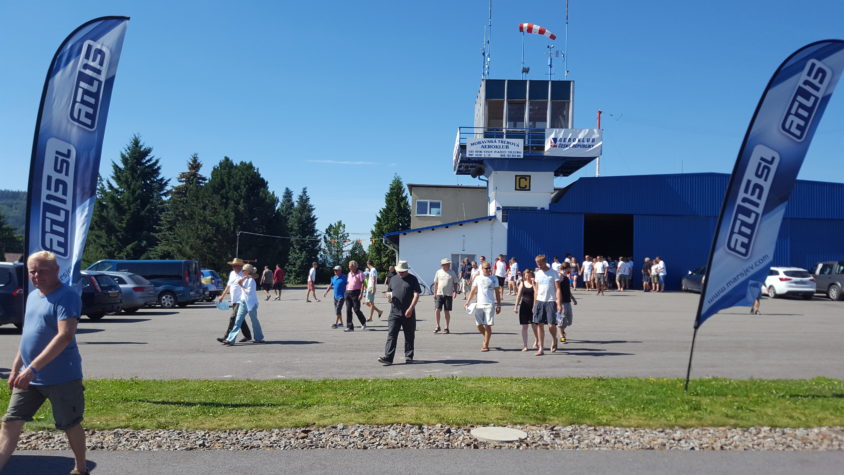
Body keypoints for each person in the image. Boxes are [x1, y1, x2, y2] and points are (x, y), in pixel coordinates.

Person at [0, 251, 88, 474]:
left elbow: (64, 336)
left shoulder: (67, 296)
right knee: (10, 422)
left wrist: (32, 368)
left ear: (56, 270)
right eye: (32, 271)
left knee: (70, 423)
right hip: (28, 377)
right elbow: (28, 336)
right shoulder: (32, 296)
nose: (37, 276)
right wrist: (16, 367)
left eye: (42, 271)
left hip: (62, 376)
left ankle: (80, 467)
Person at [378, 261, 420, 365]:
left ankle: (409, 356)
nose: (400, 273)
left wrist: (411, 308)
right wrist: (388, 296)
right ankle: (388, 358)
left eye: (402, 271)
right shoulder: (393, 279)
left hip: (408, 311)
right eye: (399, 271)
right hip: (394, 312)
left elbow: (416, 295)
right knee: (391, 334)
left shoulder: (413, 279)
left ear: (406, 270)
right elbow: (389, 292)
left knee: (409, 335)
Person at [221, 264, 266, 345]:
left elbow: (248, 292)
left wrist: (241, 285)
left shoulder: (251, 281)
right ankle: (230, 339)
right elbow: (234, 284)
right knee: (237, 321)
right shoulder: (244, 278)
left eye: (244, 270)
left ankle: (259, 338)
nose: (242, 271)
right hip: (243, 302)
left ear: (247, 271)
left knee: (254, 321)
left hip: (251, 303)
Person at [464, 261, 501, 352]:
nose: (488, 270)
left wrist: (499, 304)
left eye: (489, 268)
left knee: (487, 325)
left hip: (490, 304)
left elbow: (497, 292)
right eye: (486, 268)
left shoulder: (494, 278)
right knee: (479, 325)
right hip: (479, 304)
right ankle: (487, 336)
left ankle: (485, 345)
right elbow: (473, 291)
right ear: (482, 269)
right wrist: (468, 302)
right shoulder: (478, 278)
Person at [532, 255, 561, 356]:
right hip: (540, 301)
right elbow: (536, 290)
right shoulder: (537, 273)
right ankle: (541, 348)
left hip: (551, 301)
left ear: (545, 262)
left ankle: (554, 339)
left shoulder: (553, 273)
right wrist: (534, 304)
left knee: (551, 325)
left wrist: (559, 303)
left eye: (540, 263)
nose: (539, 265)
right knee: (539, 325)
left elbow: (558, 289)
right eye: (537, 263)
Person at [217, 258, 251, 343]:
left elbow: (248, 286)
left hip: (241, 300)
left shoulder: (244, 274)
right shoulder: (232, 273)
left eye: (235, 265)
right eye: (232, 265)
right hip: (234, 300)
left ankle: (227, 337)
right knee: (240, 319)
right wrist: (222, 296)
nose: (233, 267)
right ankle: (248, 336)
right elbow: (228, 286)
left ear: (240, 266)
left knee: (233, 317)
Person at [431, 258, 458, 334]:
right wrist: (434, 293)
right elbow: (436, 283)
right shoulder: (438, 272)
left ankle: (447, 327)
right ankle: (437, 326)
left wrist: (455, 291)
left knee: (446, 311)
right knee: (437, 310)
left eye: (449, 264)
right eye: (447, 264)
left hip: (448, 294)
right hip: (439, 294)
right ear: (443, 265)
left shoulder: (452, 272)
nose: (449, 265)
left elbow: (455, 282)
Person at [514, 268, 537, 352]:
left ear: (532, 276)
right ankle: (525, 345)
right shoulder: (522, 283)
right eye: (526, 275)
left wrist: (534, 284)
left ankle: (537, 341)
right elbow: (519, 295)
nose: (527, 277)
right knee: (524, 326)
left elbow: (537, 293)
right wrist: (516, 306)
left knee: (534, 325)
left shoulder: (535, 283)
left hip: (533, 306)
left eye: (529, 275)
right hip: (524, 306)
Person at [557, 263, 578, 344]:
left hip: (567, 301)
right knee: (561, 321)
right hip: (561, 302)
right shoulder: (559, 276)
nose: (571, 269)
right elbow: (556, 289)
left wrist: (573, 299)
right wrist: (558, 302)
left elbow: (568, 290)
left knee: (569, 321)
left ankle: (562, 331)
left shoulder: (566, 277)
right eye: (570, 268)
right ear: (566, 268)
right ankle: (562, 337)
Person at [344, 261, 367, 331]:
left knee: (356, 309)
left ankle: (363, 322)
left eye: (350, 265)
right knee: (348, 310)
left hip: (356, 292)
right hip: (348, 292)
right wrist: (346, 291)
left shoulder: (360, 273)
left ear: (354, 266)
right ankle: (350, 326)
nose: (349, 267)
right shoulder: (349, 273)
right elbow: (348, 283)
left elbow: (363, 284)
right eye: (349, 265)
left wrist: (361, 294)